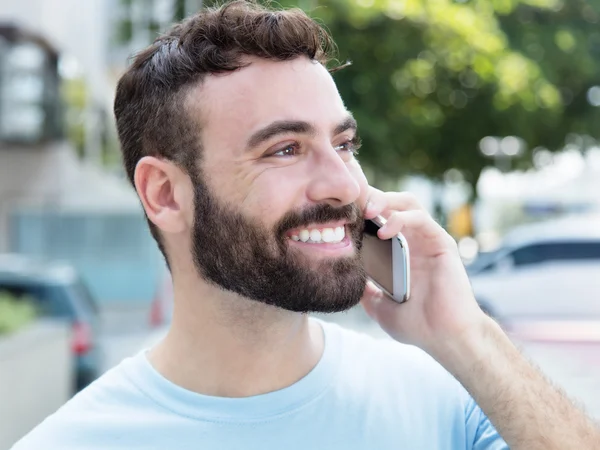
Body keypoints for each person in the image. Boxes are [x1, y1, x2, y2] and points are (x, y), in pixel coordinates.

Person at [12, 1, 599, 449]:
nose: (345, 185)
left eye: (344, 144)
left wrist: (467, 336)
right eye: (285, 149)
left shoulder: (451, 397)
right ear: (165, 194)